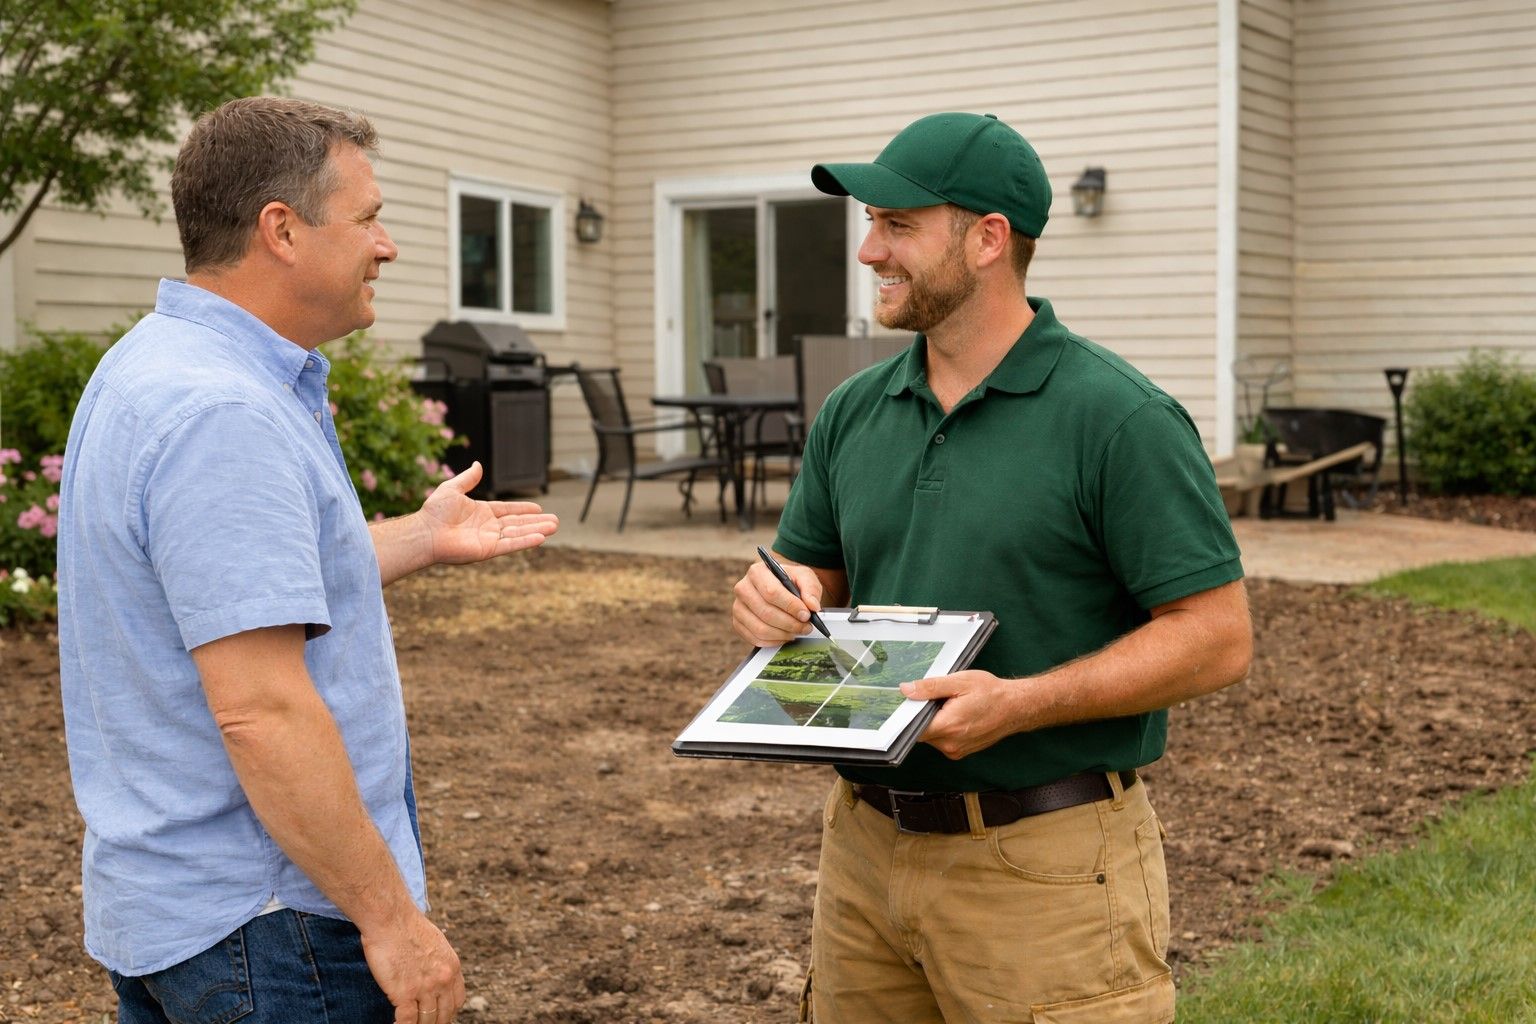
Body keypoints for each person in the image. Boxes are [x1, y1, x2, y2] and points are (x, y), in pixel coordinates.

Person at [731, 112, 1253, 1023]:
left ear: (987, 239)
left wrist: (1023, 703)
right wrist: (782, 602)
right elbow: (817, 580)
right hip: (861, 851)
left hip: (1046, 865)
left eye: (897, 225)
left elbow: (1216, 640)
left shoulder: (1117, 418)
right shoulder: (856, 409)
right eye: (869, 223)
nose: (868, 251)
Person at [56, 97, 558, 1024]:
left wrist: (416, 535)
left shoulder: (153, 365)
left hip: (180, 917)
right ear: (281, 230)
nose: (388, 245)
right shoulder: (223, 413)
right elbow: (260, 710)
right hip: (273, 932)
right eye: (368, 218)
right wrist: (393, 922)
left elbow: (225, 588)